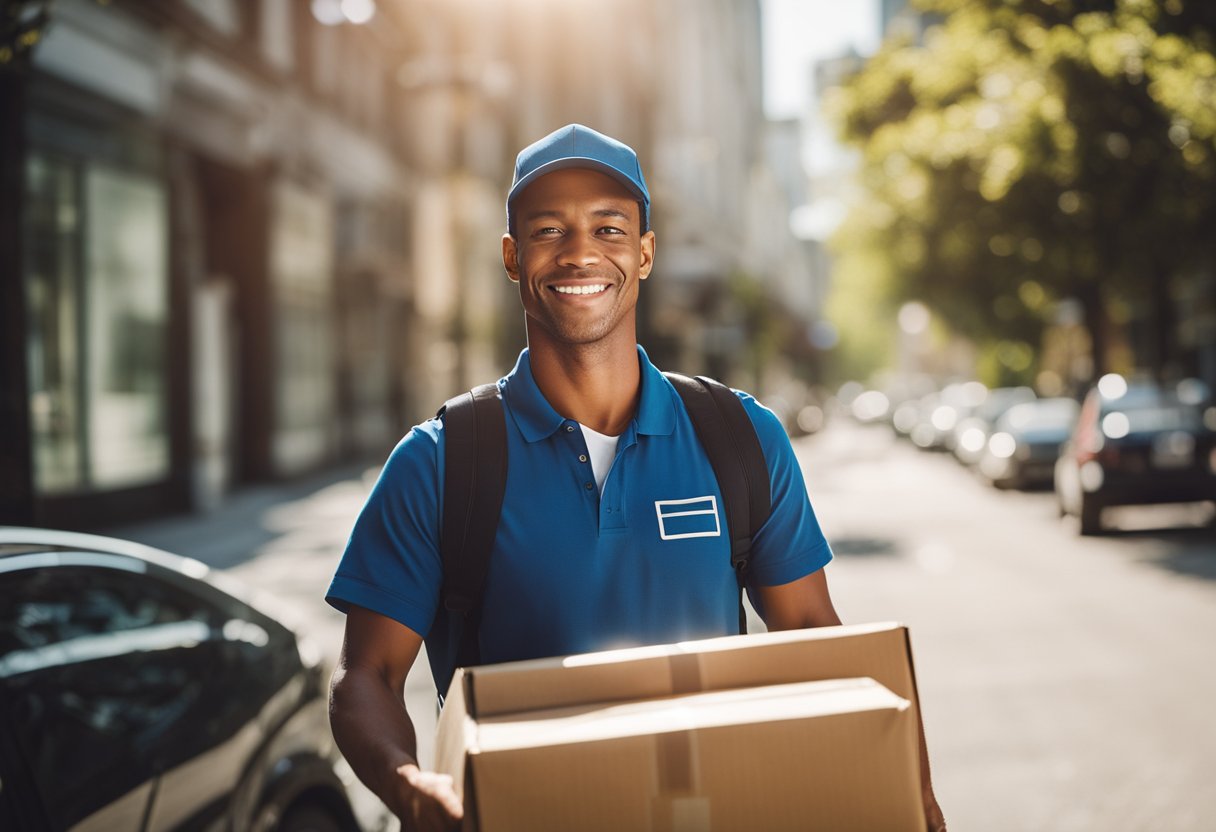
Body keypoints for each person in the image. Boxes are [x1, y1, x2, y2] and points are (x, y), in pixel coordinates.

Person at [326, 124, 946, 832]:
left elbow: (810, 631)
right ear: (511, 256)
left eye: (609, 228)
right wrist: (410, 787)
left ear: (645, 253)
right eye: (549, 229)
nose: (580, 251)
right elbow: (366, 677)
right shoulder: (440, 463)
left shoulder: (741, 438)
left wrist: (908, 787)